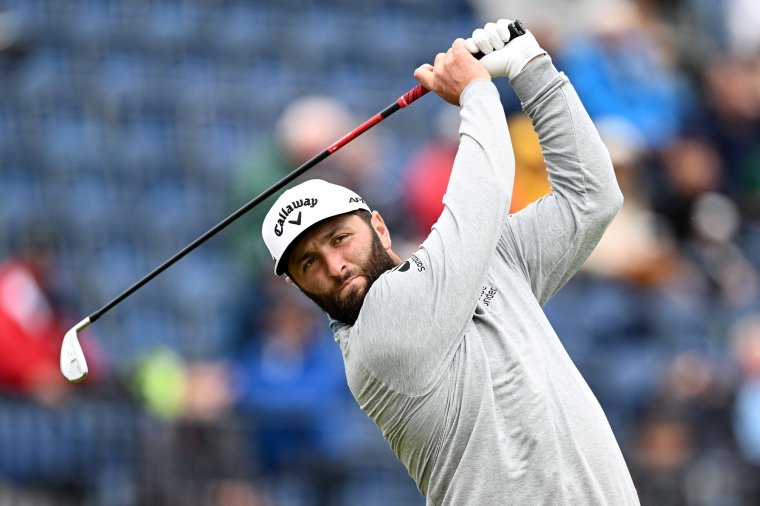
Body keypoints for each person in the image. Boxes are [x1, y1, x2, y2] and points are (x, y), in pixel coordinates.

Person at [260, 20, 640, 504]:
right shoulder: (378, 338)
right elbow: (482, 197)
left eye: (340, 238)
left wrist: (533, 71)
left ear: (379, 226)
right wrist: (477, 93)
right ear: (294, 285)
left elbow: (591, 198)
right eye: (309, 263)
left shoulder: (485, 261)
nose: (335, 265)